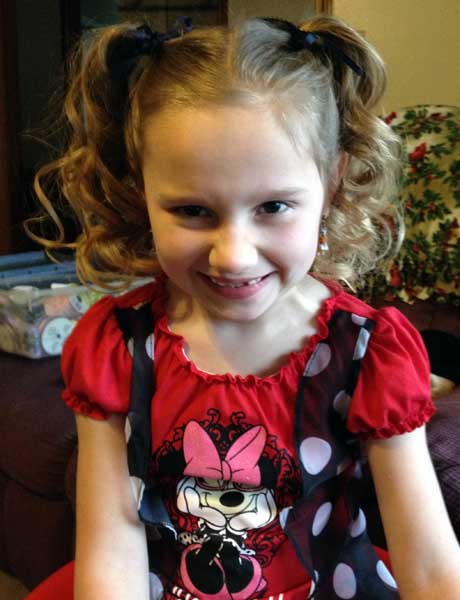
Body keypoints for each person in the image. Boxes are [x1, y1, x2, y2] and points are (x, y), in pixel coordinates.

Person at [24, 12, 460, 600]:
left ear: (332, 185)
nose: (233, 256)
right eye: (192, 211)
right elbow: (111, 549)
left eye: (273, 207)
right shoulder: (116, 347)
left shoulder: (368, 352)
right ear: (140, 191)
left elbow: (430, 565)